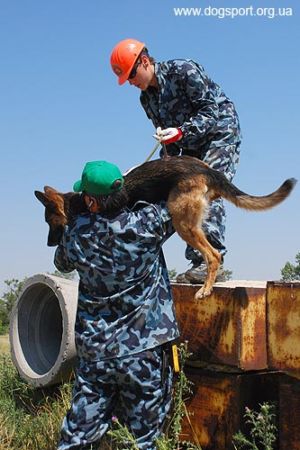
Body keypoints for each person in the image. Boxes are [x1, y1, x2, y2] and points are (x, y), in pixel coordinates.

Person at [54, 160, 179, 450]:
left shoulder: (76, 234)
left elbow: (61, 264)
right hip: (144, 352)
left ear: (89, 201)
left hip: (96, 354)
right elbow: (178, 200)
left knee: (78, 437)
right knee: (143, 440)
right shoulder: (148, 223)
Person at [110, 38, 242, 283]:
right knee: (179, 195)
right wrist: (154, 169)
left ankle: (209, 262)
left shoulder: (183, 70)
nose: (130, 82)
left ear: (145, 62)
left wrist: (182, 131)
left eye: (131, 74)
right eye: (126, 79)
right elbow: (167, 142)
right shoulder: (146, 99)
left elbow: (210, 112)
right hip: (189, 145)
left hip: (219, 134)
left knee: (207, 189)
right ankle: (196, 258)